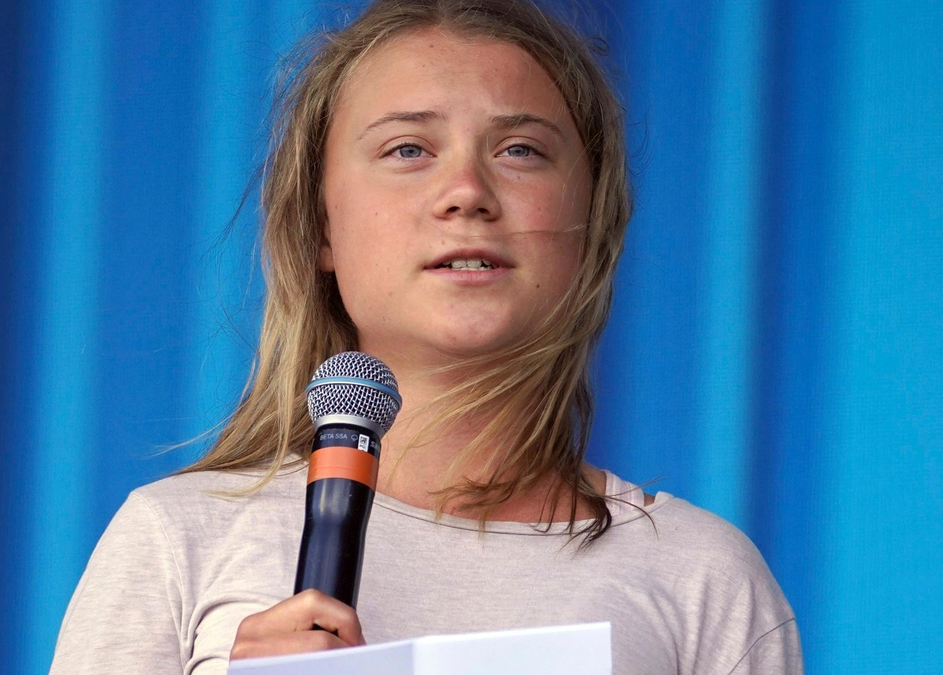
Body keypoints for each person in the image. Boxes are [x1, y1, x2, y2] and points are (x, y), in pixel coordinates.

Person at [49, 1, 803, 673]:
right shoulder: (175, 540)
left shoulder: (703, 577)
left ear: (593, 223)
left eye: (520, 150)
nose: (467, 192)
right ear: (321, 226)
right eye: (408, 148)